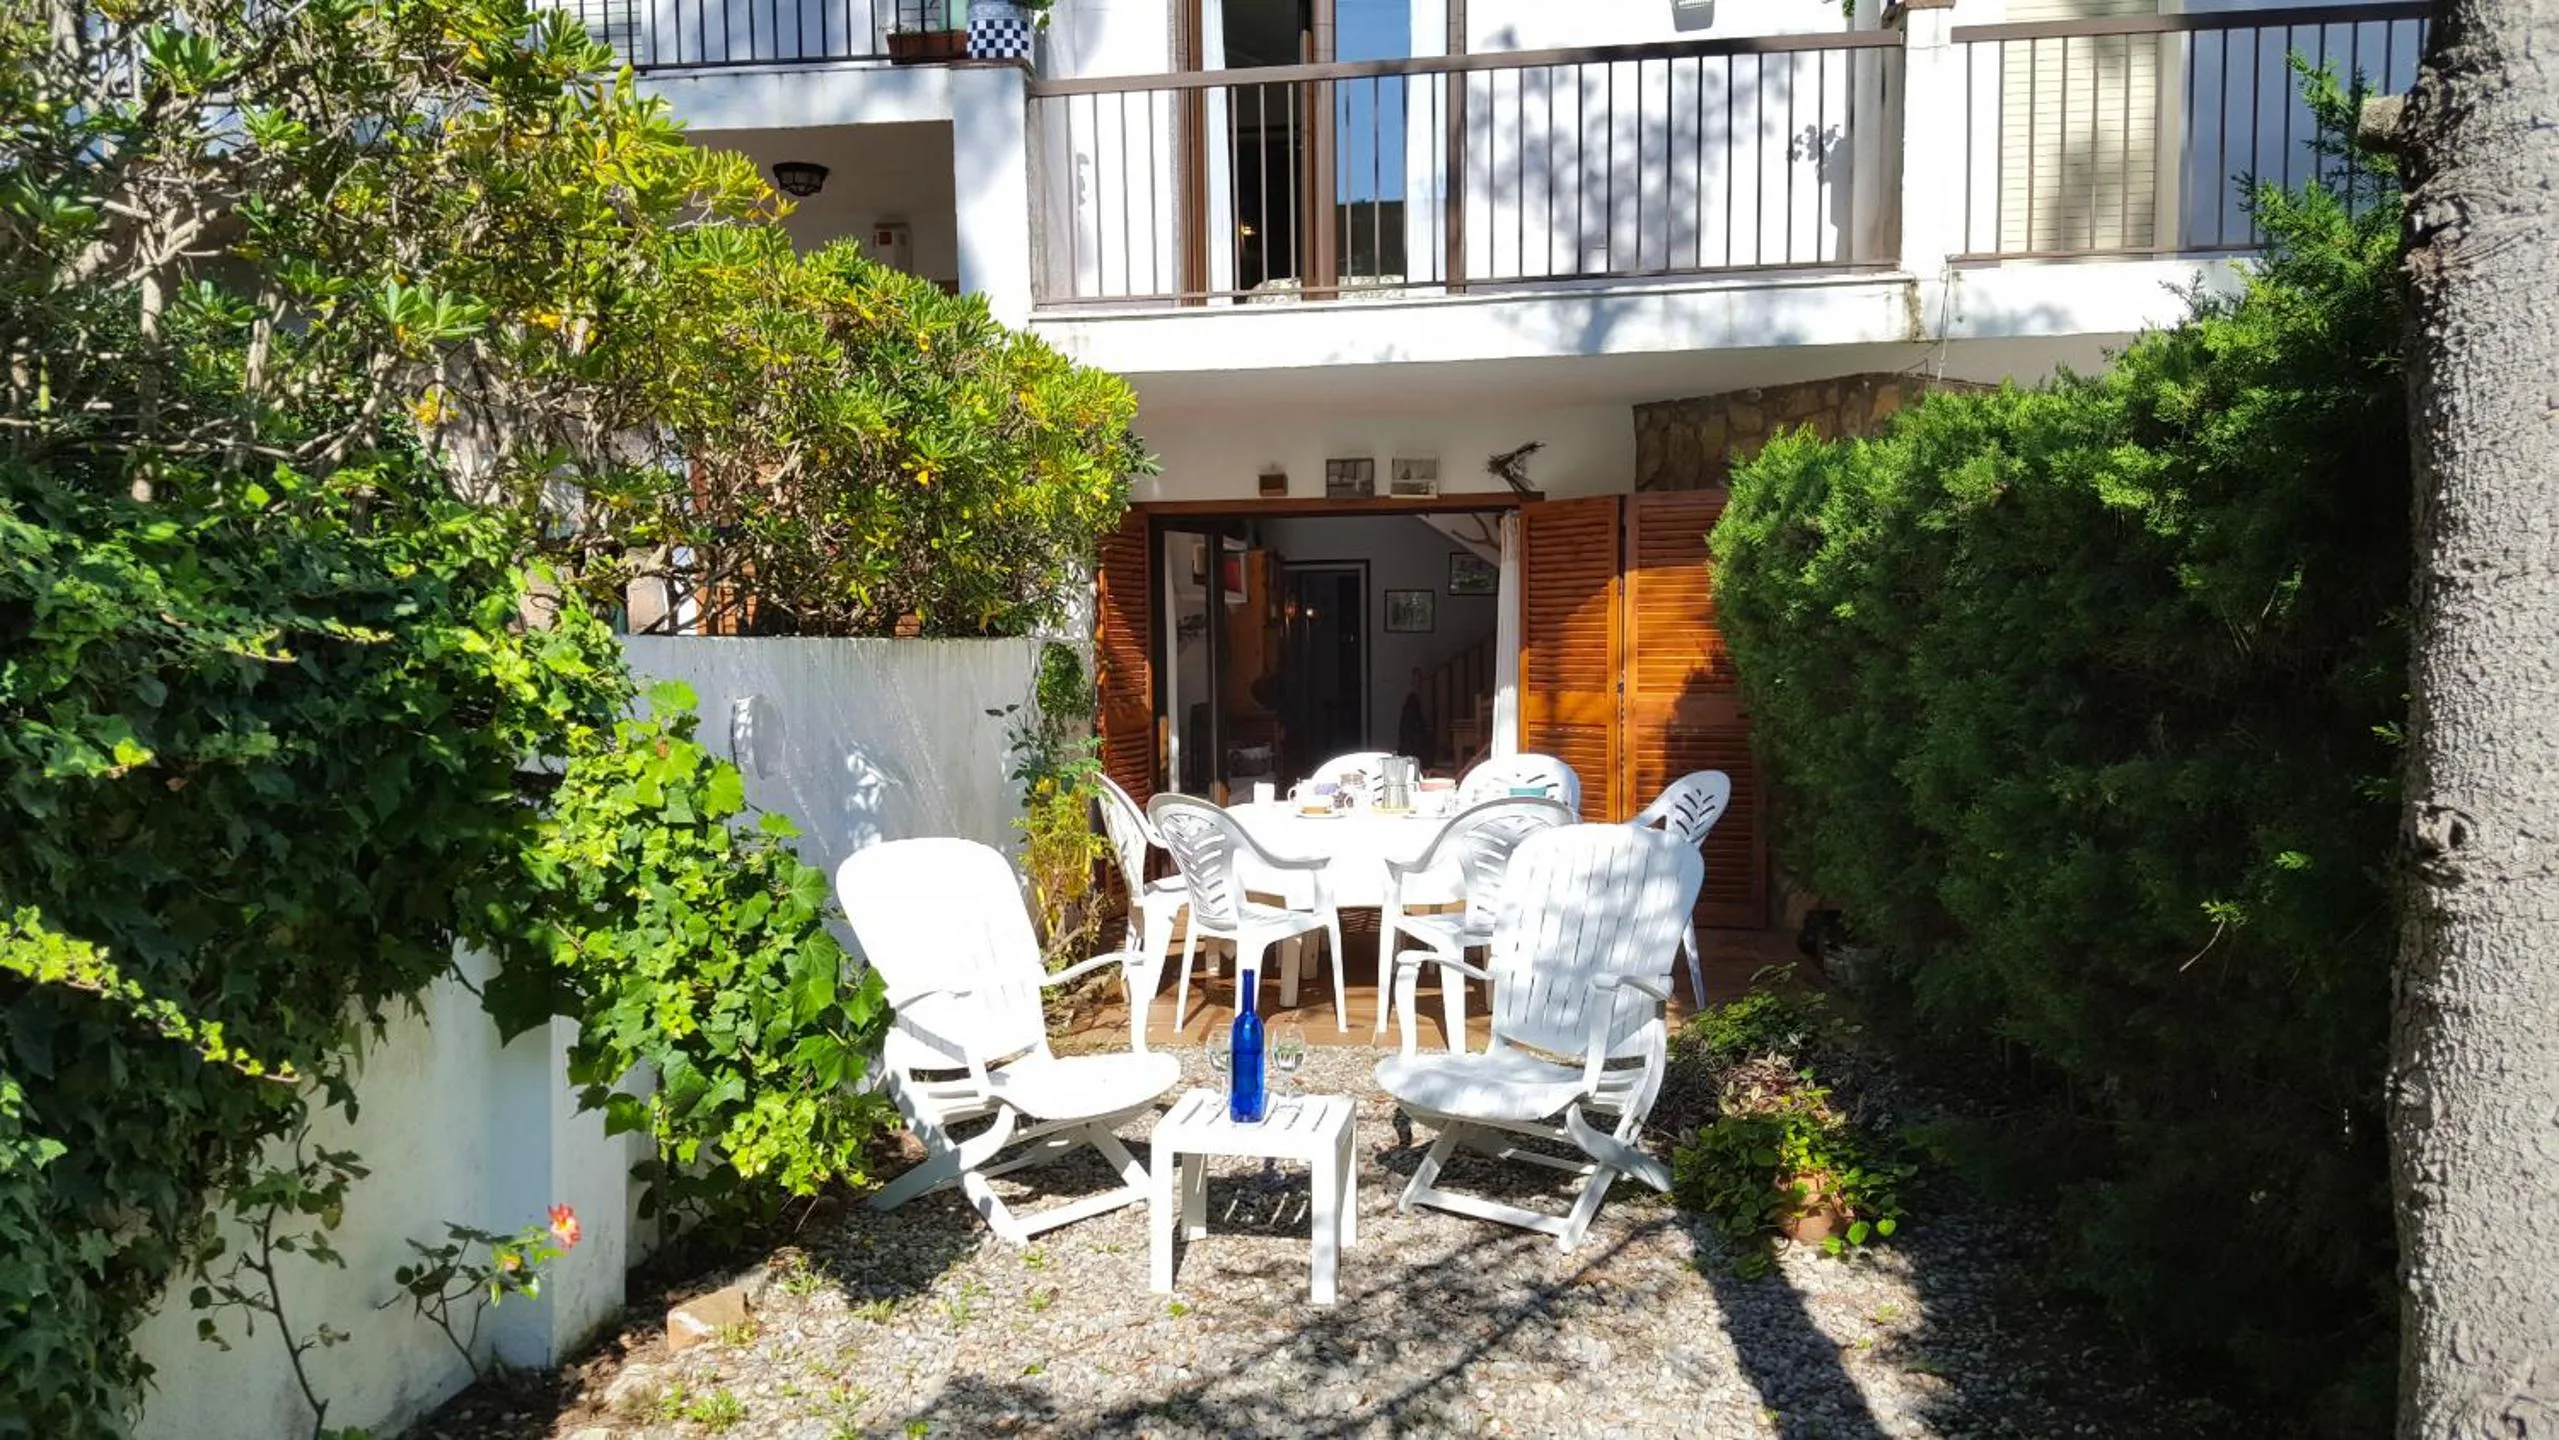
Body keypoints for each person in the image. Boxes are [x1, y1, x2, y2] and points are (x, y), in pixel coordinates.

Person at [1397, 665, 1433, 764]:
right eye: (1416, 680)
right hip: (1412, 742)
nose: (1418, 683)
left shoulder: (1424, 699)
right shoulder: (1411, 702)